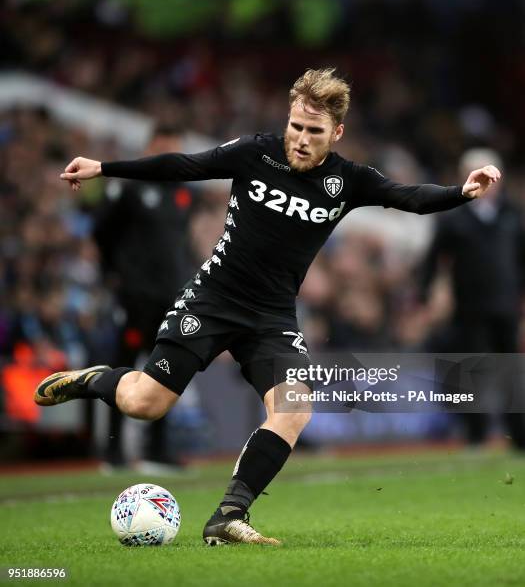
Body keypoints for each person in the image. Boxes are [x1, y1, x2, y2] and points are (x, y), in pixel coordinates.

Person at [34, 68, 500, 546]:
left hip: (271, 315)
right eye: (296, 126)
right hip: (213, 299)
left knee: (295, 409)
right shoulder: (254, 152)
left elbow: (409, 197)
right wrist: (105, 167)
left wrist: (460, 193)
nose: (299, 139)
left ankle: (229, 515)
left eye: (313, 132)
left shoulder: (350, 179)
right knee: (144, 403)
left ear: (336, 133)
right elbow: (183, 165)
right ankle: (93, 379)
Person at [93, 124, 192, 471]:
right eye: (166, 147)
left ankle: (156, 449)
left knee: (165, 371)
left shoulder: (182, 193)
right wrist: (115, 275)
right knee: (122, 369)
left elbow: (180, 245)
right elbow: (101, 233)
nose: (171, 156)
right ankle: (113, 450)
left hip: (170, 298)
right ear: (151, 146)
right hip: (134, 297)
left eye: (176, 149)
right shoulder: (127, 187)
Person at [419, 148, 525, 449]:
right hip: (469, 308)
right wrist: (426, 294)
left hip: (506, 307)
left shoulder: (512, 215)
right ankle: (476, 434)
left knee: (510, 371)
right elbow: (433, 258)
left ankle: (519, 435)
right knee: (472, 370)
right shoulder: (455, 217)